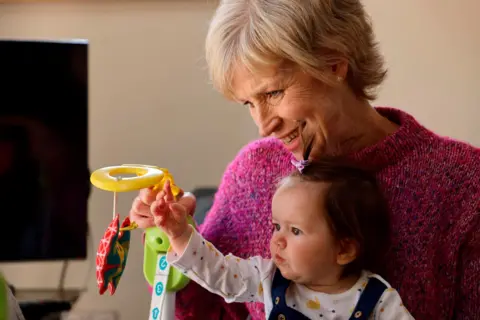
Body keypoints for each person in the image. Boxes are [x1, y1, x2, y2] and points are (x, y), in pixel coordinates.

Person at [129, 0, 480, 319]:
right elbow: (206, 311)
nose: (264, 125)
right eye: (249, 103)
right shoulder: (252, 171)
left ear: (334, 63)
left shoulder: (464, 185)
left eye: (273, 92)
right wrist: (171, 236)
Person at [153, 159, 414, 320]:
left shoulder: (378, 300)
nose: (277, 240)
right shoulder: (268, 279)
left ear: (344, 249)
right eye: (277, 226)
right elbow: (218, 272)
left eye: (296, 231)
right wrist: (179, 234)